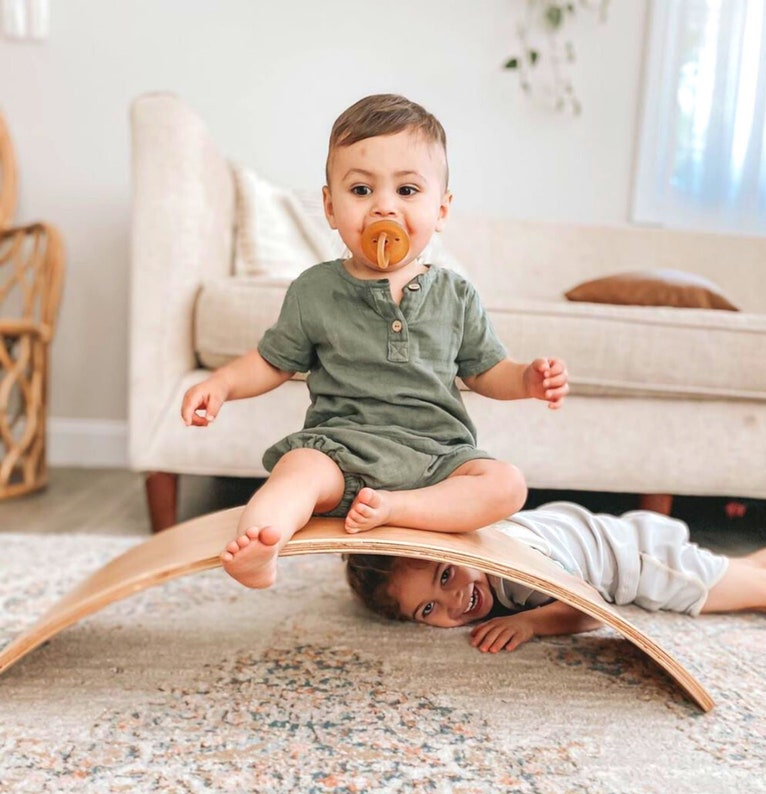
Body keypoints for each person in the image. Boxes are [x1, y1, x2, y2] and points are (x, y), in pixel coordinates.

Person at [180, 94, 570, 589]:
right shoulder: (315, 290)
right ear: (330, 206)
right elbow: (271, 361)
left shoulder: (456, 294)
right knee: (298, 469)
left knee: (506, 484)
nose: (384, 206)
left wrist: (527, 379)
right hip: (341, 453)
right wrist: (222, 384)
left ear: (442, 209)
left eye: (408, 190)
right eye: (361, 190)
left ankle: (398, 508)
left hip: (437, 458)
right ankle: (263, 543)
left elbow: (485, 370)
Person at [345, 502, 766, 653]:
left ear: (456, 543)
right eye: (428, 610)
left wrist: (530, 622)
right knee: (745, 567)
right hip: (622, 535)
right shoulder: (487, 536)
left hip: (644, 564)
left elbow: (590, 609)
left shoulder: (514, 577)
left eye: (445, 575)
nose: (454, 601)